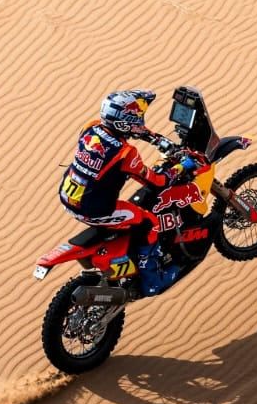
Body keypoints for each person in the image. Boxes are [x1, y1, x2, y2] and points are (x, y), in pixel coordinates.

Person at [58, 89, 199, 283]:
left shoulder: (91, 127)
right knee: (149, 222)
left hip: (68, 197)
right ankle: (152, 277)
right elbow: (157, 181)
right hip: (93, 210)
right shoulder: (125, 153)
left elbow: (131, 132)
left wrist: (156, 138)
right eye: (137, 116)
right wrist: (182, 167)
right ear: (123, 122)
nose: (140, 120)